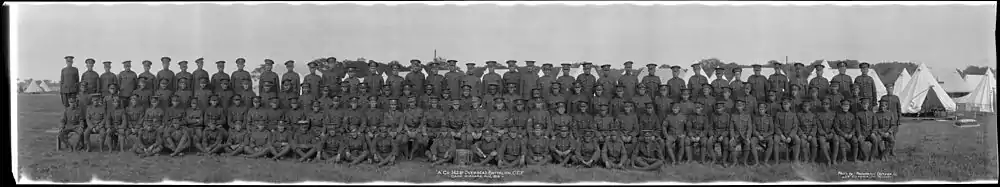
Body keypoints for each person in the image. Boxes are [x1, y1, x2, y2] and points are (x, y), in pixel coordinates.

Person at [833, 100, 857, 164]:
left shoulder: (852, 115)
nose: (846, 107)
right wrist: (843, 134)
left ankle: (854, 158)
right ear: (841, 106)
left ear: (849, 107)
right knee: (842, 142)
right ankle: (844, 158)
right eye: (844, 106)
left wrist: (851, 134)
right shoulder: (838, 115)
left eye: (847, 106)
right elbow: (836, 127)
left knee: (855, 141)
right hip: (842, 134)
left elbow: (854, 126)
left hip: (850, 134)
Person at [731, 100, 753, 166]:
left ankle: (744, 161)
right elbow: (731, 128)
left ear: (743, 106)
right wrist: (732, 137)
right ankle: (735, 162)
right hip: (736, 135)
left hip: (745, 135)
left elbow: (749, 128)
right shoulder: (733, 115)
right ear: (736, 106)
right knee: (731, 144)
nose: (739, 107)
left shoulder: (747, 115)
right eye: (738, 106)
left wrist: (748, 137)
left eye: (740, 106)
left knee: (747, 144)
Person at [816, 97, 837, 165]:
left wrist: (832, 133)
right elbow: (819, 127)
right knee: (822, 141)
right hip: (822, 134)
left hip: (831, 133)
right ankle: (828, 160)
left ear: (829, 105)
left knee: (836, 139)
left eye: (827, 104)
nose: (825, 105)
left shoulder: (833, 114)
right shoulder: (818, 114)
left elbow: (835, 125)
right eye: (823, 104)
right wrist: (824, 134)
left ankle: (834, 159)